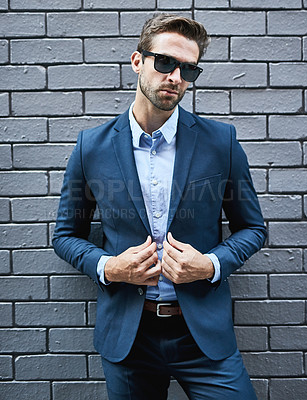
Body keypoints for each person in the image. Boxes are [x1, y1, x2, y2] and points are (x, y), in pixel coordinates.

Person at [53, 13, 266, 400]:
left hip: (202, 335)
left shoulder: (222, 142)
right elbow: (65, 235)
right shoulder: (91, 147)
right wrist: (109, 267)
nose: (175, 77)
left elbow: (253, 228)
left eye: (188, 69)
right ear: (138, 61)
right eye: (165, 62)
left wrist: (212, 264)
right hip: (129, 339)